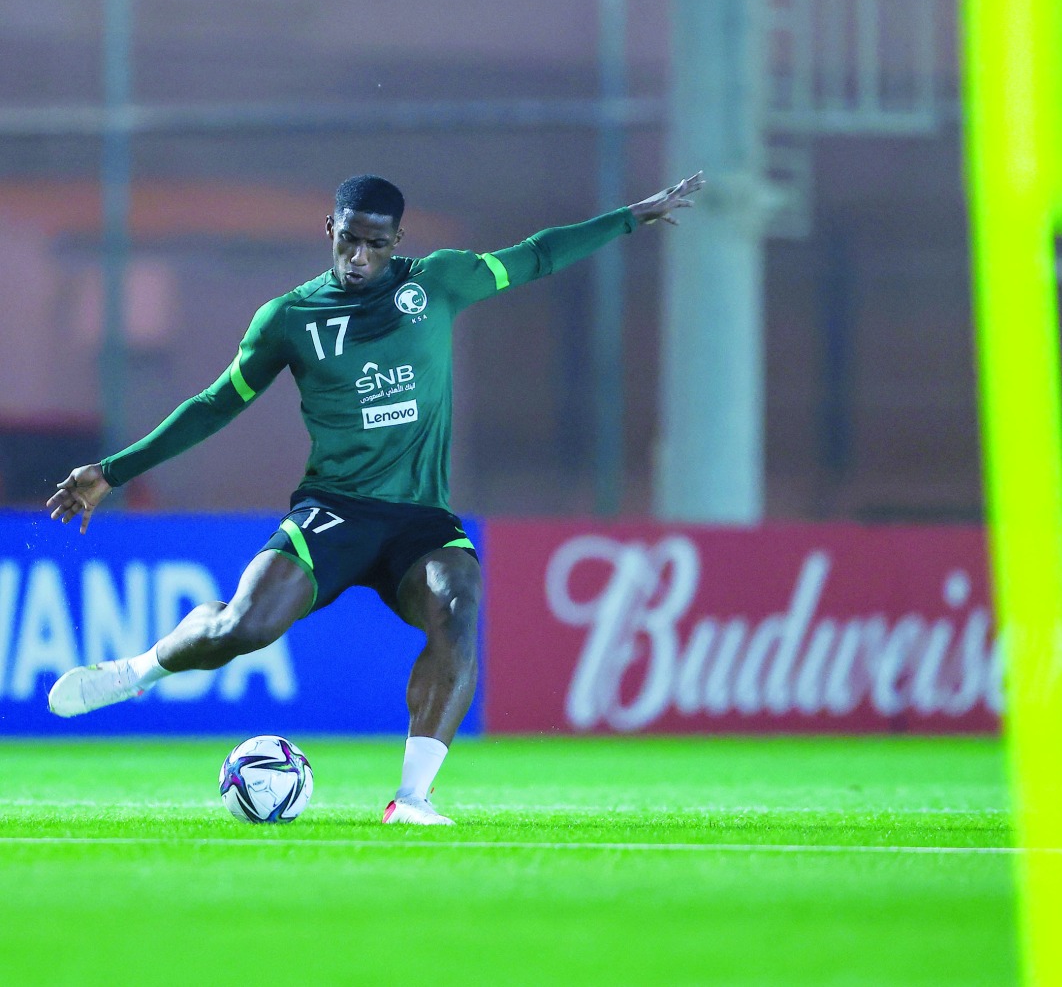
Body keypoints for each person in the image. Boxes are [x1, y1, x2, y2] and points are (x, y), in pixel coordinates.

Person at [44, 170, 704, 825]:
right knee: (242, 628)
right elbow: (215, 404)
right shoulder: (290, 317)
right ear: (329, 229)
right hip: (334, 510)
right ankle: (137, 672)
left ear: (397, 241)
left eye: (376, 245)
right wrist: (112, 470)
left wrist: (628, 217)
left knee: (458, 605)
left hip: (419, 518)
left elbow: (534, 256)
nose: (359, 257)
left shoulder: (438, 282)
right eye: (349, 240)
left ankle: (411, 800)